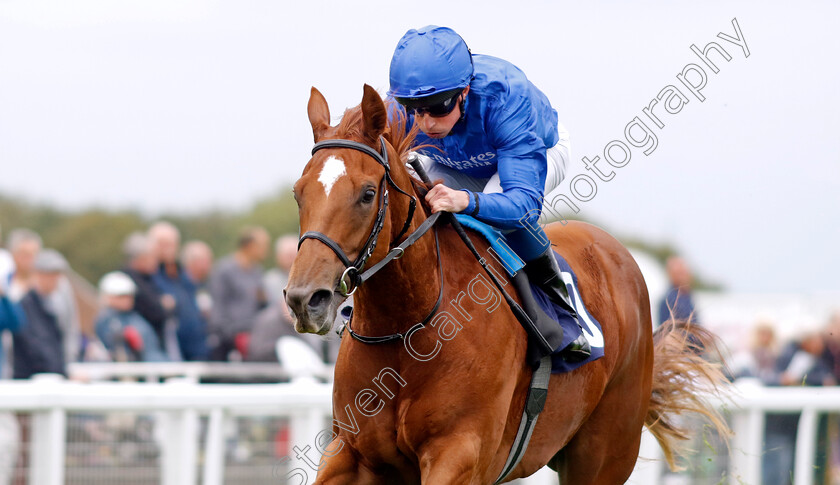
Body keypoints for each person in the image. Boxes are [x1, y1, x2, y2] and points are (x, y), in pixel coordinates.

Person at [388, 25, 587, 358]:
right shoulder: (400, 111)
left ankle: (561, 309)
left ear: (465, 91)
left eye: (438, 107)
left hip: (535, 155)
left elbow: (522, 206)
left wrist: (465, 200)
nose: (425, 123)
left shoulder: (506, 98)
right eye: (415, 109)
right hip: (455, 163)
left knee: (500, 220)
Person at [207, 226, 269, 361]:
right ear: (250, 246)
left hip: (252, 338)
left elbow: (261, 306)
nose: (266, 250)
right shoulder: (224, 270)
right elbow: (218, 307)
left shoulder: (257, 271)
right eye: (263, 245)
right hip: (229, 340)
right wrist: (228, 335)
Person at [148, 222, 208, 361]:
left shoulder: (183, 276)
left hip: (196, 349)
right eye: (163, 244)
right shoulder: (149, 278)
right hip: (170, 351)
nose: (168, 249)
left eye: (171, 244)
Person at [13, 250, 69, 378]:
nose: (56, 280)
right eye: (52, 275)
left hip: (47, 380)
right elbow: (37, 350)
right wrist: (64, 374)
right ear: (39, 274)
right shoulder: (26, 305)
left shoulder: (50, 304)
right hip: (32, 382)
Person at [95, 271, 167, 362]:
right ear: (108, 297)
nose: (127, 300)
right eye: (121, 296)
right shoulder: (106, 321)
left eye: (129, 296)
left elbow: (151, 349)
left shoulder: (136, 318)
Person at [121, 232, 171, 343]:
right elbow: (158, 311)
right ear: (140, 258)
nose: (156, 262)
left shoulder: (148, 278)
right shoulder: (127, 282)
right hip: (143, 347)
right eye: (152, 257)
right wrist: (164, 304)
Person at [657, 256, 699, 326]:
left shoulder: (687, 296)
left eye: (684, 272)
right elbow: (667, 331)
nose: (684, 277)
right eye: (680, 273)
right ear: (671, 275)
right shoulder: (669, 300)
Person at [181, 240, 214, 318]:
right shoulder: (178, 284)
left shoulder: (206, 285)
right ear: (192, 261)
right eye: (206, 260)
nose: (209, 264)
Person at [262, 235, 297, 307]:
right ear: (278, 256)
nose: (291, 259)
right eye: (288, 255)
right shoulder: (268, 280)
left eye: (294, 255)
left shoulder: (309, 281)